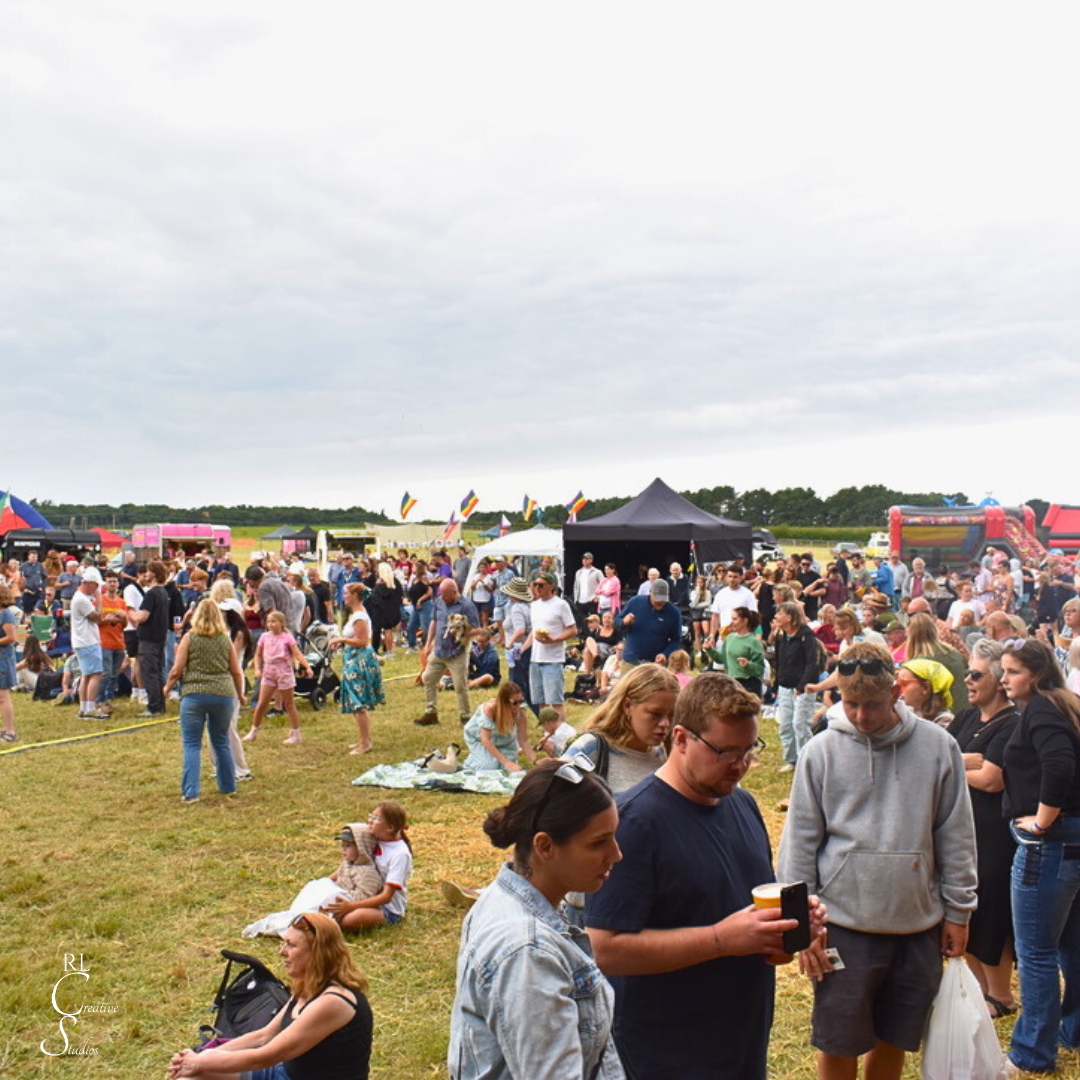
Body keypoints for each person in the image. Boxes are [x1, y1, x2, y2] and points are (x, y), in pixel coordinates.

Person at [585, 673, 816, 1078]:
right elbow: (606, 947)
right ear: (680, 738)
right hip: (667, 1052)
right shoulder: (635, 822)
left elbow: (740, 914)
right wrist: (720, 940)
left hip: (741, 1041)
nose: (740, 766)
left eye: (749, 750)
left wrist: (788, 927)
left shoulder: (742, 804)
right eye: (725, 752)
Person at [778, 642, 976, 1080]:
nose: (862, 716)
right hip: (843, 926)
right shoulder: (821, 751)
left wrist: (959, 912)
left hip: (917, 925)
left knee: (896, 1038)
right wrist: (801, 928)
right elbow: (798, 845)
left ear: (896, 693)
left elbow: (956, 834)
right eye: (851, 704)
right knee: (839, 1039)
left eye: (872, 704)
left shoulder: (939, 747)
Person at [448, 759, 624, 1080]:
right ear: (545, 846)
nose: (616, 854)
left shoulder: (506, 897)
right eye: (598, 842)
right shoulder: (528, 951)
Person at [999, 638, 1080, 1074]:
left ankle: (1033, 1053)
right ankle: (1072, 1031)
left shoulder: (1044, 709)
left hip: (1050, 842)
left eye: (1012, 672)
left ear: (1037, 673)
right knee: (1071, 946)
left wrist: (1043, 821)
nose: (1003, 679)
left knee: (1037, 952)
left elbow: (1060, 764)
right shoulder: (1064, 703)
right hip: (1073, 838)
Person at [168, 911, 372, 1078]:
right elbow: (263, 1036)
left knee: (200, 1068)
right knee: (191, 1077)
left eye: (291, 945)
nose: (282, 952)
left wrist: (200, 1061)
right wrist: (199, 1057)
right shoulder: (307, 985)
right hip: (283, 1073)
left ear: (318, 952)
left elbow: (266, 1056)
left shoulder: (333, 1002)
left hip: (279, 1068)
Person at [945, 639, 1018, 1018]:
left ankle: (1001, 994)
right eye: (967, 673)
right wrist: (963, 761)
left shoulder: (1012, 722)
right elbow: (939, 755)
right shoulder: (967, 717)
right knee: (967, 908)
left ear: (997, 680)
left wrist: (955, 764)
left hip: (992, 833)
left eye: (976, 674)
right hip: (962, 828)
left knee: (991, 912)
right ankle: (980, 989)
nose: (968, 680)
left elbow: (992, 779)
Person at [164, 599, 245, 805]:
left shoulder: (190, 638)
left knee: (192, 744)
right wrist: (241, 694)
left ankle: (191, 792)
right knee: (221, 741)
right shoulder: (225, 640)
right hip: (223, 694)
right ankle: (228, 785)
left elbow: (177, 668)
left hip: (194, 695)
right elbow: (236, 670)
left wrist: (167, 687)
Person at [324, 802, 413, 930]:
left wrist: (351, 906)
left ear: (390, 827)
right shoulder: (373, 838)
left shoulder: (400, 854)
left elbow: (387, 897)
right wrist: (325, 882)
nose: (370, 821)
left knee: (350, 920)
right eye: (371, 815)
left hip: (386, 907)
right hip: (362, 895)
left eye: (376, 818)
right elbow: (349, 865)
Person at [414, 579, 480, 727]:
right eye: (441, 594)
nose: (443, 597)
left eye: (446, 595)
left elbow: (476, 629)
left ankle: (465, 717)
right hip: (440, 650)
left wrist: (461, 632)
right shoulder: (439, 602)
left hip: (458, 652)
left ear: (455, 592)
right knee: (428, 678)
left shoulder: (467, 606)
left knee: (460, 686)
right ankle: (431, 712)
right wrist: (428, 643)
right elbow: (434, 622)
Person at [330, 582, 384, 757]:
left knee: (358, 702)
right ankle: (362, 738)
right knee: (355, 703)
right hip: (352, 659)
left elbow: (362, 641)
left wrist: (341, 639)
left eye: (346, 593)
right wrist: (342, 641)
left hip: (359, 662)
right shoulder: (356, 615)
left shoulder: (359, 616)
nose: (344, 596)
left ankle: (366, 742)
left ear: (355, 595)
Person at [243, 610, 314, 745]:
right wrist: (257, 668)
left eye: (274, 621)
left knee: (289, 704)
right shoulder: (264, 637)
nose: (271, 624)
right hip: (269, 671)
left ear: (281, 623)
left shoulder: (287, 637)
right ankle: (253, 730)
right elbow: (258, 655)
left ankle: (296, 732)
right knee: (262, 703)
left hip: (284, 671)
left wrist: (307, 666)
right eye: (269, 621)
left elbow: (297, 653)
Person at [773, 600, 822, 772]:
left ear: (790, 617)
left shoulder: (806, 637)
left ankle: (807, 761)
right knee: (785, 725)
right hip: (785, 686)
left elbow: (812, 664)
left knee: (800, 725)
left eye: (780, 613)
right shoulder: (781, 637)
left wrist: (801, 686)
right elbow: (778, 662)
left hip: (803, 688)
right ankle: (792, 759)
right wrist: (775, 685)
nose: (776, 617)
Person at [528, 570, 577, 722]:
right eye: (535, 584)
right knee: (541, 701)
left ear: (551, 586)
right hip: (535, 658)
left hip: (553, 659)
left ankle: (561, 733)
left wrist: (554, 639)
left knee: (555, 701)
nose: (537, 588)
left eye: (541, 585)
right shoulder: (534, 605)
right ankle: (546, 732)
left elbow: (572, 630)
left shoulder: (561, 605)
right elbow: (533, 631)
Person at [461, 682, 537, 772]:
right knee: (489, 767)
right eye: (515, 703)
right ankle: (474, 760)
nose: (518, 706)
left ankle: (494, 756)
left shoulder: (520, 712)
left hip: (505, 741)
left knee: (507, 770)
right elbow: (486, 740)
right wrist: (506, 762)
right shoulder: (490, 709)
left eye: (521, 701)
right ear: (504, 701)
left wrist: (536, 761)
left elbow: (523, 741)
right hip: (480, 739)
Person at [128, 560, 171, 717]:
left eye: (148, 571)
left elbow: (144, 616)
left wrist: (130, 613)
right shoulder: (163, 592)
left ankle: (153, 707)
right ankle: (160, 705)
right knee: (158, 672)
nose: (145, 574)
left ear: (153, 573)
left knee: (149, 673)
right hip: (160, 638)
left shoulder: (151, 593)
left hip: (149, 639)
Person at [616, 579, 682, 666]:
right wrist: (624, 622)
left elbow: (676, 640)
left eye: (663, 600)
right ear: (650, 592)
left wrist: (665, 654)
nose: (660, 603)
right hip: (631, 662)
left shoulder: (673, 612)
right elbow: (617, 621)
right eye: (657, 600)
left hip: (655, 665)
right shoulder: (635, 602)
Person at [70, 568, 107, 720]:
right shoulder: (81, 600)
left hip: (82, 641)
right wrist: (99, 599)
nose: (97, 589)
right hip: (87, 641)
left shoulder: (79, 598)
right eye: (96, 586)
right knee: (96, 674)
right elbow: (98, 617)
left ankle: (84, 707)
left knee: (86, 675)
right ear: (89, 584)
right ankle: (90, 707)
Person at [499, 576, 536, 715]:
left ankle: (515, 711)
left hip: (518, 649)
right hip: (528, 647)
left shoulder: (516, 608)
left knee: (516, 684)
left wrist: (509, 643)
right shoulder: (528, 606)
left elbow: (519, 630)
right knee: (525, 682)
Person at [720, 606, 766, 698]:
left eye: (735, 619)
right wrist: (709, 650)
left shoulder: (754, 642)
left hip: (749, 685)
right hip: (732, 683)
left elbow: (760, 669)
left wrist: (747, 665)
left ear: (744, 621)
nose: (731, 622)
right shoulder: (730, 638)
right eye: (731, 619)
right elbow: (721, 658)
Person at [897, 657, 955, 727]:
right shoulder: (907, 711)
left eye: (904, 684)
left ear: (925, 688)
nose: (898, 688)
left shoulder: (944, 720)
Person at [707, 565, 758, 640]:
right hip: (724, 636)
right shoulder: (720, 594)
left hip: (742, 636)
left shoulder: (748, 594)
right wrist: (712, 635)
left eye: (735, 577)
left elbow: (754, 616)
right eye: (730, 576)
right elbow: (715, 616)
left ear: (741, 577)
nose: (732, 579)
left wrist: (757, 636)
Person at [0, 585, 18, 741]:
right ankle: (4, 727)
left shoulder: (6, 614)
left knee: (3, 696)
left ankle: (10, 731)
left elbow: (11, 637)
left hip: (3, 659)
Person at [572, 551, 604, 628]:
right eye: (583, 559)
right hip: (580, 601)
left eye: (587, 559)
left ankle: (595, 635)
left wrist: (598, 597)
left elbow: (604, 585)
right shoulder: (578, 572)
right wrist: (576, 598)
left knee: (593, 620)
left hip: (591, 600)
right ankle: (585, 637)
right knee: (582, 621)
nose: (584, 560)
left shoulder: (597, 572)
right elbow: (576, 586)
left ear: (591, 560)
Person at [687, 574, 711, 657]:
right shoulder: (693, 592)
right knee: (697, 632)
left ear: (704, 583)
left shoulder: (708, 592)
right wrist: (697, 592)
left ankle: (706, 648)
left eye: (701, 582)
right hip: (695, 613)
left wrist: (697, 605)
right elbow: (693, 604)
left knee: (706, 631)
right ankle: (699, 650)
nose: (699, 584)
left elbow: (708, 603)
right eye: (698, 583)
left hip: (704, 612)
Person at [18, 550, 47, 615]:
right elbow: (19, 578)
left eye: (35, 557)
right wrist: (23, 589)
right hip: (27, 591)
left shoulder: (40, 566)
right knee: (27, 610)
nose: (34, 559)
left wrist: (42, 586)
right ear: (28, 557)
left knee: (38, 609)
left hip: (38, 591)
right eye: (32, 557)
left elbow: (45, 577)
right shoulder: (23, 566)